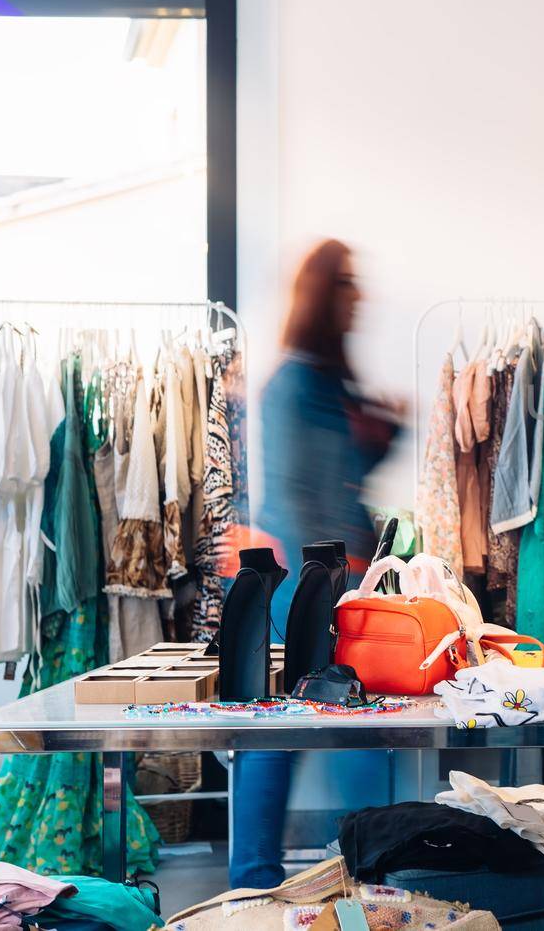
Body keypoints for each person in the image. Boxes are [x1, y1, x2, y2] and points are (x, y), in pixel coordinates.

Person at [229, 239, 402, 888]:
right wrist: (332, 596)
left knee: (305, 734)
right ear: (324, 293)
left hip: (327, 583)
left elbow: (341, 480)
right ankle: (263, 885)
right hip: (309, 587)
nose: (360, 296)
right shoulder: (296, 383)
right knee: (284, 737)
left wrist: (386, 432)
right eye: (349, 283)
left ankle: (366, 878)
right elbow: (298, 500)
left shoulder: (325, 381)